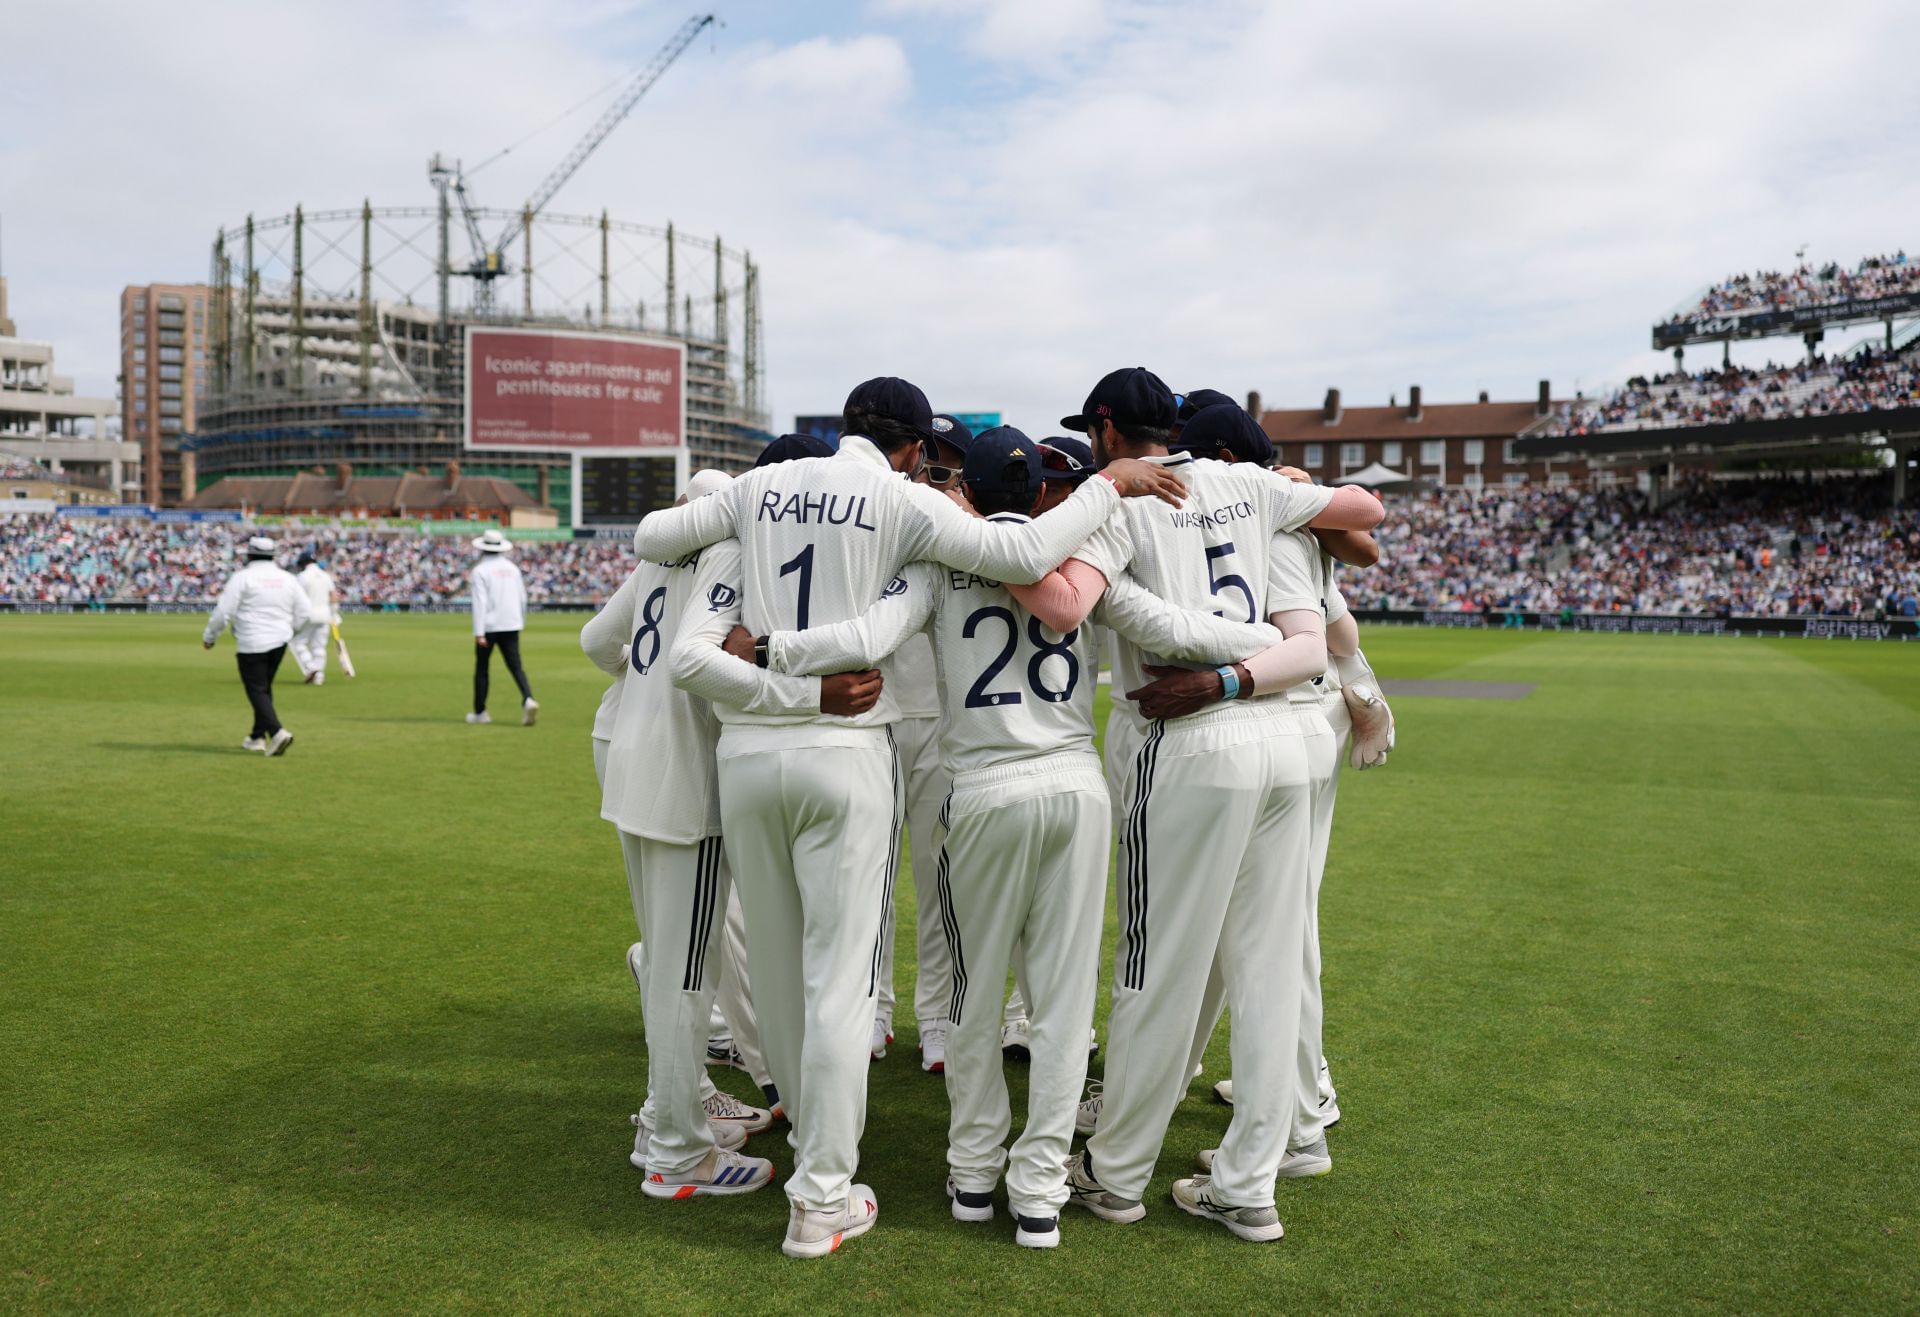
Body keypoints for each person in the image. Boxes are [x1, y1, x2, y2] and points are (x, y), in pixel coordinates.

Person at [640, 375, 1184, 1259]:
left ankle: (968, 1172)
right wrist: (1109, 494)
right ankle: (1002, 1188)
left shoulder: (760, 499)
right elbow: (1044, 574)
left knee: (814, 976)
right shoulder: (926, 515)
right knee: (918, 987)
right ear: (916, 453)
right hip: (993, 771)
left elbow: (665, 551)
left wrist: (779, 652)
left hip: (772, 754)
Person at [752, 427, 1289, 1249]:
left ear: (964, 484)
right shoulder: (1072, 556)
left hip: (982, 789)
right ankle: (1038, 1189)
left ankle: (974, 1174)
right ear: (1042, 486)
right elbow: (1165, 621)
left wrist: (769, 648)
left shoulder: (940, 559)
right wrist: (1271, 649)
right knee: (1064, 1003)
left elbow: (865, 639)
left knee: (972, 989)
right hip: (1074, 784)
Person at [1009, 378, 1382, 1241]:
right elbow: (1319, 620)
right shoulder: (1258, 490)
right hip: (1286, 741)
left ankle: (1116, 1173)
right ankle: (1250, 1183)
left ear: (1105, 431)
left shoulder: (1117, 498)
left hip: (1189, 741)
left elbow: (1068, 600)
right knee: (1270, 967)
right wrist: (1254, 653)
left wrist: (1204, 658)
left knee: (1155, 965)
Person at [578, 469, 804, 1200]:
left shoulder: (659, 558)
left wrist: (642, 688)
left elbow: (597, 642)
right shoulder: (733, 553)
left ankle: (660, 1119)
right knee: (684, 974)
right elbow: (706, 664)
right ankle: (678, 1153)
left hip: (629, 763)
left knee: (672, 961)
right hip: (687, 784)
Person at [872, 411, 974, 1072]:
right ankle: (871, 1009)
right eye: (922, 459)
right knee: (866, 875)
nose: (926, 472)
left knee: (940, 879)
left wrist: (957, 505)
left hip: (943, 719)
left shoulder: (971, 524)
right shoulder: (878, 509)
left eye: (942, 464)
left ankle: (936, 1014)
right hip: (876, 712)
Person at [202, 535, 315, 757]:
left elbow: (223, 612)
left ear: (250, 555)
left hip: (252, 641)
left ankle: (276, 732)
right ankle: (256, 737)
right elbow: (305, 611)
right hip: (280, 641)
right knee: (264, 688)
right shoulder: (287, 578)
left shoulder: (242, 578)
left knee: (256, 689)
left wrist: (210, 637)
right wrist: (291, 630)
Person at [468, 529, 536, 726]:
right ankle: (528, 698)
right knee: (516, 667)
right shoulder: (513, 568)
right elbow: (522, 598)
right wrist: (520, 621)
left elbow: (480, 602)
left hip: (489, 626)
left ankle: (480, 712)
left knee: (482, 669)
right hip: (512, 623)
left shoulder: (480, 570)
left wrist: (479, 632)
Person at [291, 551, 339, 684]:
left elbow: (296, 598)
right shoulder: (325, 576)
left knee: (297, 642)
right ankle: (319, 678)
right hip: (325, 615)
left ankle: (311, 668)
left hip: (308, 615)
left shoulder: (302, 576)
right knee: (319, 647)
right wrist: (334, 613)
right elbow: (333, 596)